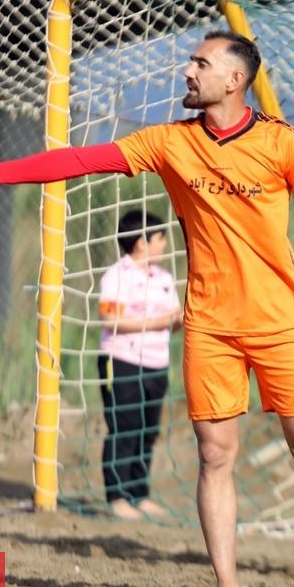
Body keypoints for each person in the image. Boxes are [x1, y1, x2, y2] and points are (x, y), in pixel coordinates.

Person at [0, 31, 294, 587]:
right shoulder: (169, 142)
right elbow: (80, 159)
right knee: (215, 455)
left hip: (281, 323)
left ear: (235, 80)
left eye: (201, 63)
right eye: (190, 61)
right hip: (209, 325)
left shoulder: (283, 141)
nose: (187, 71)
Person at [97, 209, 182, 521]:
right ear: (142, 242)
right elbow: (110, 319)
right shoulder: (117, 276)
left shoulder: (164, 279)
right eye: (160, 238)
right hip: (122, 361)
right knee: (124, 428)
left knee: (148, 430)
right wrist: (159, 320)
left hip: (157, 364)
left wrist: (182, 319)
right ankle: (117, 497)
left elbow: (174, 319)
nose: (164, 244)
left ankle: (139, 494)